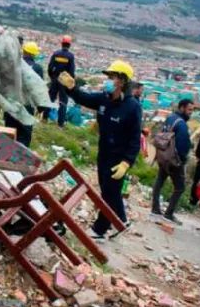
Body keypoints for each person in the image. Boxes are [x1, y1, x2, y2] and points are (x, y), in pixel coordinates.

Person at [60, 60, 141, 241]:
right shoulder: (104, 98)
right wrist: (72, 88)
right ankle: (118, 222)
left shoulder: (132, 107)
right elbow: (84, 98)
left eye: (111, 77)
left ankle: (103, 228)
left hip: (118, 158)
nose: (108, 80)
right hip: (103, 153)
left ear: (122, 80)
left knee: (110, 192)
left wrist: (126, 163)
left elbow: (135, 140)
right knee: (107, 192)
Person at [151, 99, 195, 225]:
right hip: (174, 160)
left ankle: (155, 209)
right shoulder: (181, 125)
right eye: (189, 110)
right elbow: (182, 147)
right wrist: (182, 160)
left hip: (163, 156)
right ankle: (169, 213)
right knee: (180, 187)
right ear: (182, 108)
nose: (190, 113)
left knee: (159, 181)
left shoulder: (171, 118)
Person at [46, 35, 76, 127]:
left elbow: (50, 67)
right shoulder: (70, 56)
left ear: (62, 44)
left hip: (55, 79)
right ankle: (60, 124)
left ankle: (44, 118)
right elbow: (71, 71)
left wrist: (52, 77)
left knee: (50, 99)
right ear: (69, 45)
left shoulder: (56, 53)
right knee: (63, 102)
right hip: (64, 81)